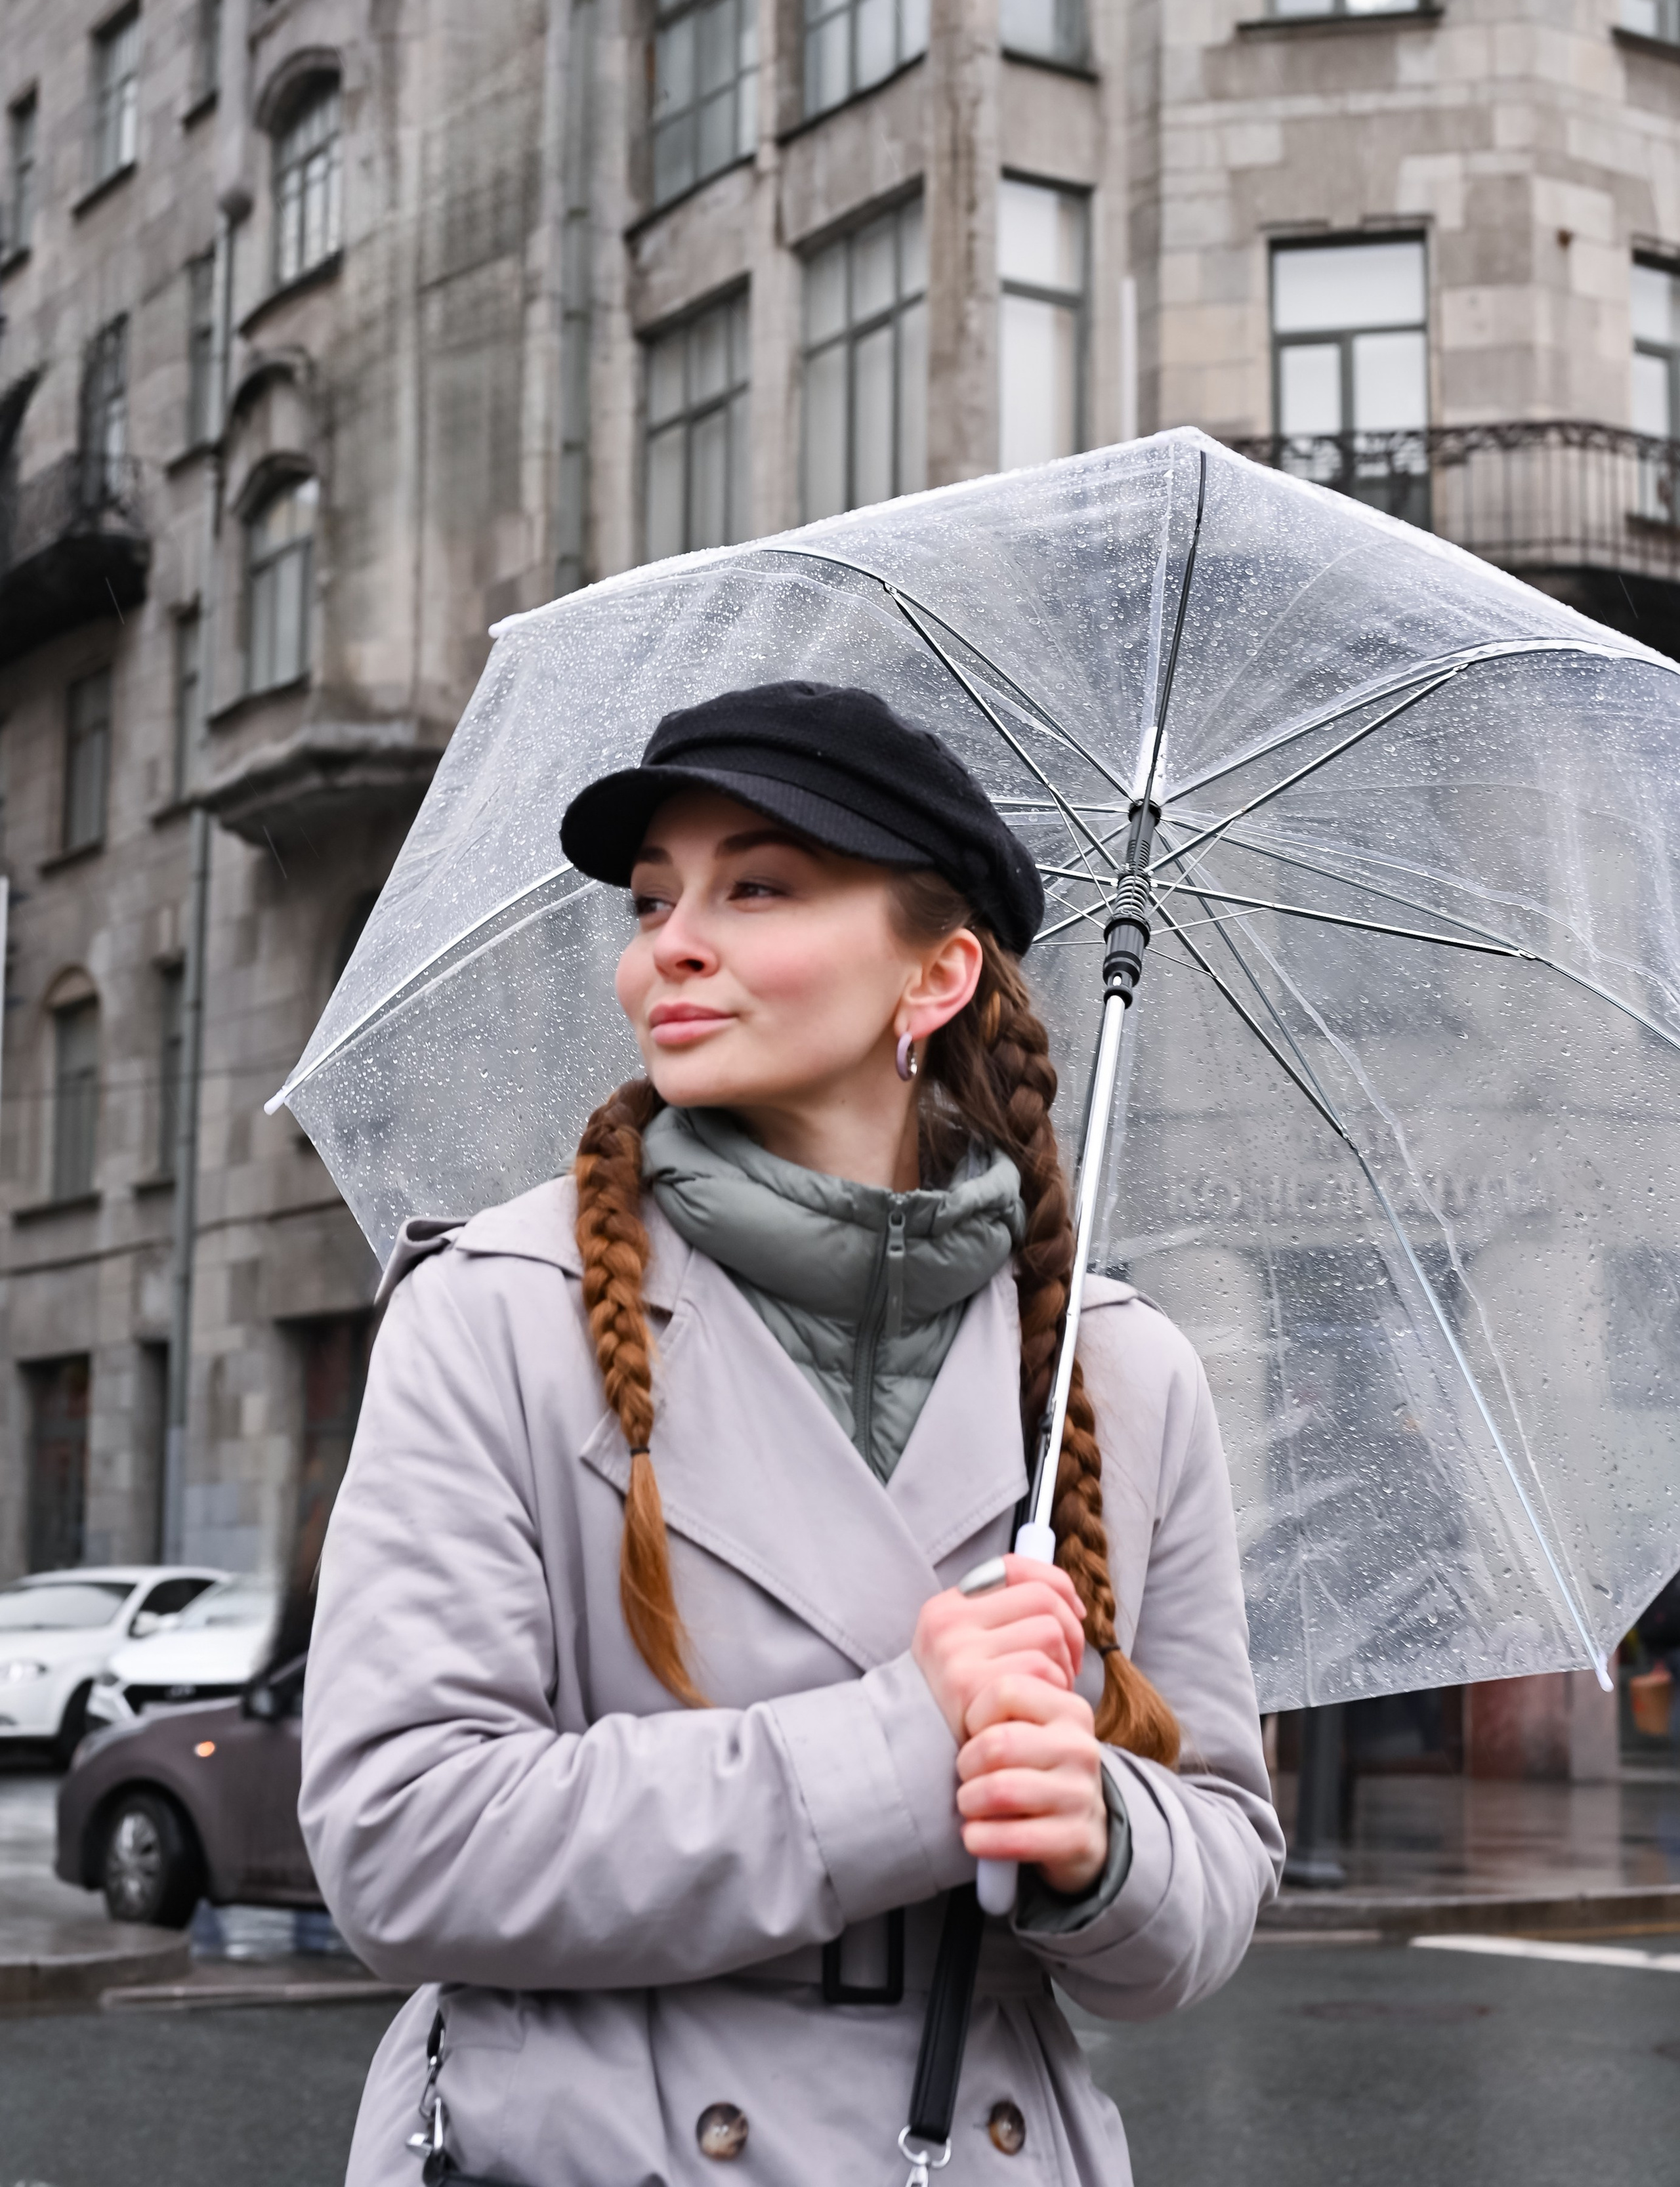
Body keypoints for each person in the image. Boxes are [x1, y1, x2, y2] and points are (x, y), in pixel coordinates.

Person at [300, 680, 1283, 2186]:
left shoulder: (1118, 1365)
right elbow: (403, 1837)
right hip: (579, 2144)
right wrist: (904, 1750)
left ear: (935, 972)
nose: (667, 946)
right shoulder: (492, 1314)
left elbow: (1214, 1859)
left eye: (756, 885)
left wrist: (1096, 1839)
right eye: (651, 900)